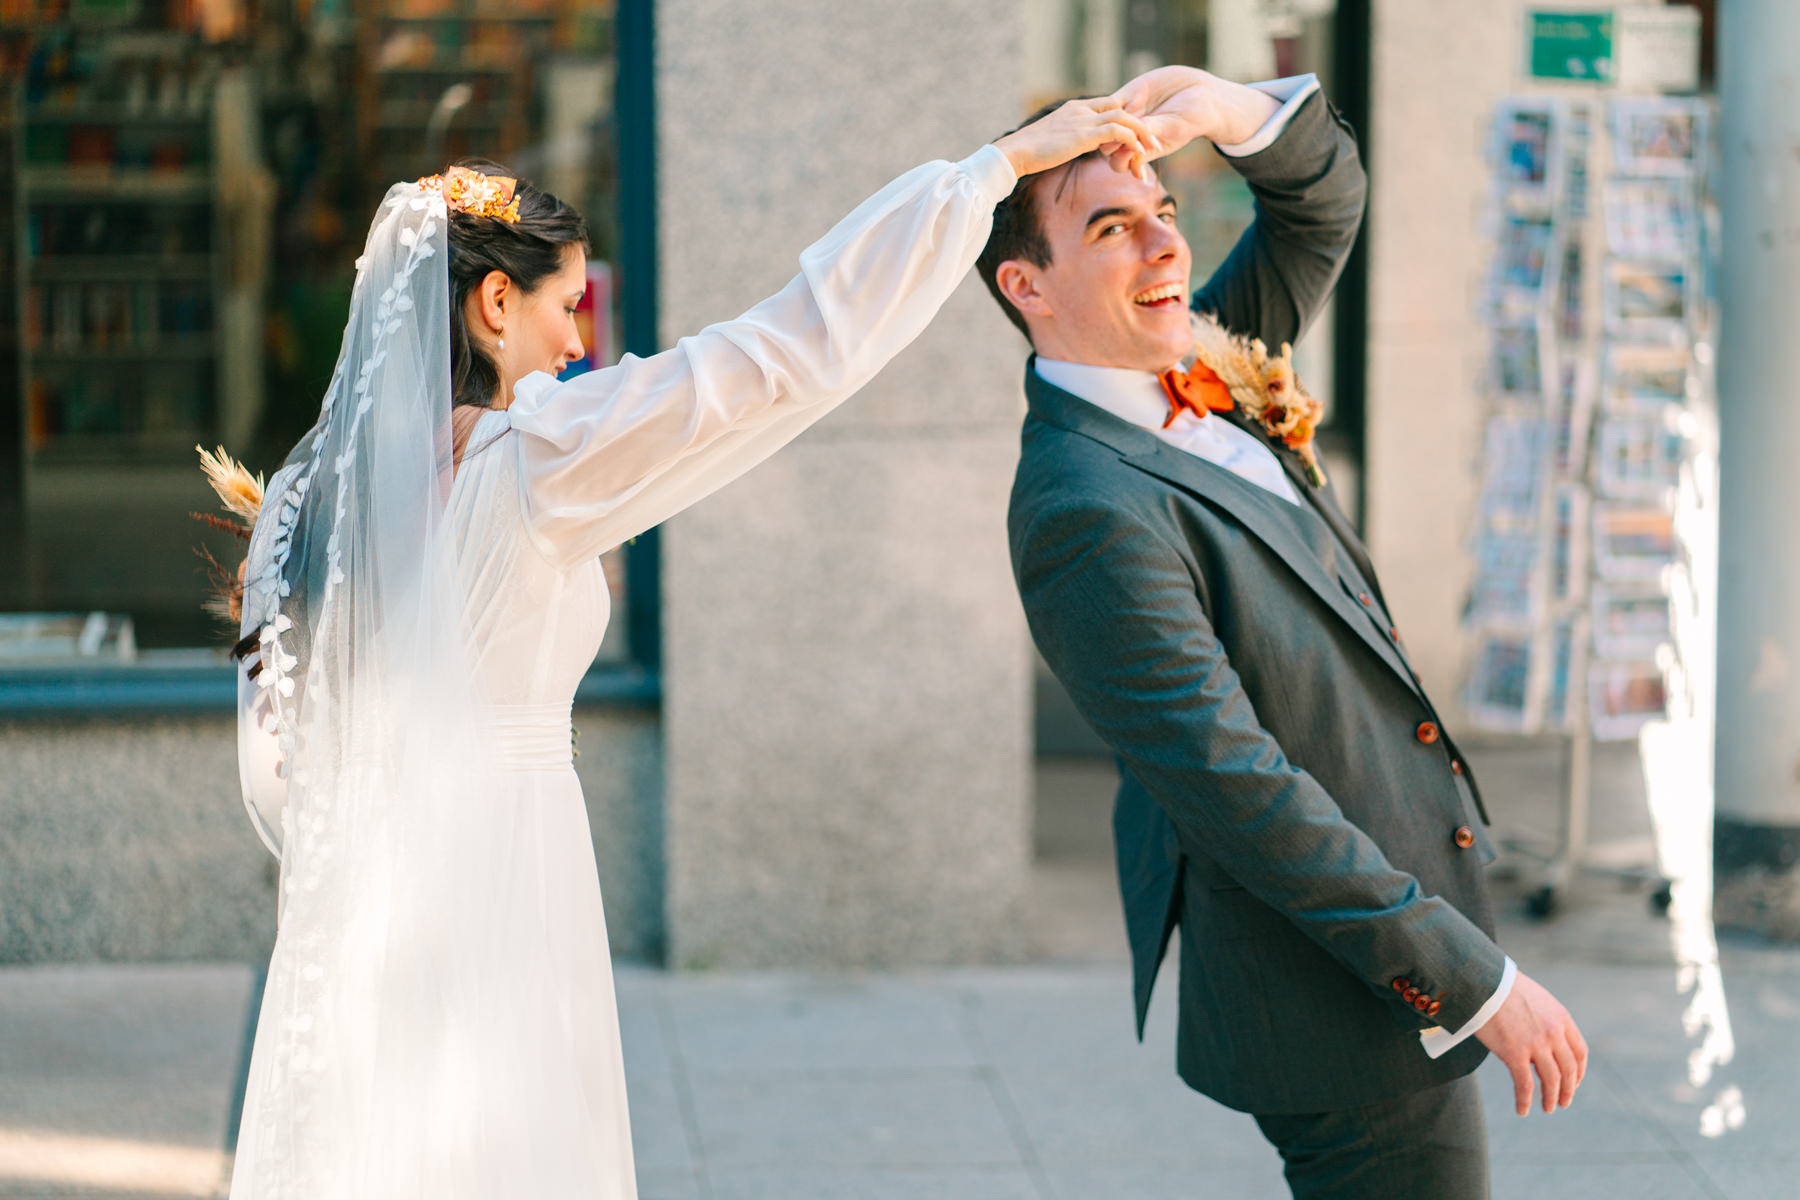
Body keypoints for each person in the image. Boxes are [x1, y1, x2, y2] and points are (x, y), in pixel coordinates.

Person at [224, 100, 1158, 1199]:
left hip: (375, 897)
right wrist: (988, 174)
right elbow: (785, 349)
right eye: (567, 304)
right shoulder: (536, 459)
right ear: (491, 303)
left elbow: (281, 762)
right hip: (508, 867)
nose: (579, 340)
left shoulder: (299, 499)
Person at [983, 67, 1589, 1198]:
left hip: (1389, 918)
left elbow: (1320, 205)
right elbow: (1238, 788)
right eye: (1112, 227)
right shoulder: (1082, 507)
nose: (1164, 247)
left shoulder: (1206, 355)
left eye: (1163, 211)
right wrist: (1476, 983)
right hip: (1330, 987)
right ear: (1027, 283)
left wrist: (1217, 109)